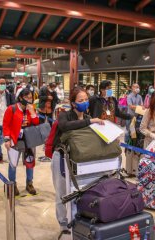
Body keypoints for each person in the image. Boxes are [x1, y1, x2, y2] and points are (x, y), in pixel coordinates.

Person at [51, 87, 104, 238]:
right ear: (73, 103)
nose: (85, 103)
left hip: (79, 159)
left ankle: (77, 220)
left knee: (79, 192)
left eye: (86, 99)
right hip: (61, 157)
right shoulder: (64, 115)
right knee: (62, 192)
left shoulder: (87, 116)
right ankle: (63, 223)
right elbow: (64, 127)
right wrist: (90, 121)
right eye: (81, 101)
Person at [3, 88, 39, 196]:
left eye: (30, 97)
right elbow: (6, 124)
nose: (29, 100)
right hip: (15, 140)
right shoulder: (11, 109)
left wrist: (32, 112)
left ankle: (29, 183)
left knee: (30, 162)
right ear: (20, 98)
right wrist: (7, 139)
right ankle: (12, 184)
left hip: (29, 140)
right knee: (13, 164)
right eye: (26, 97)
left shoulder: (31, 108)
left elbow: (36, 122)